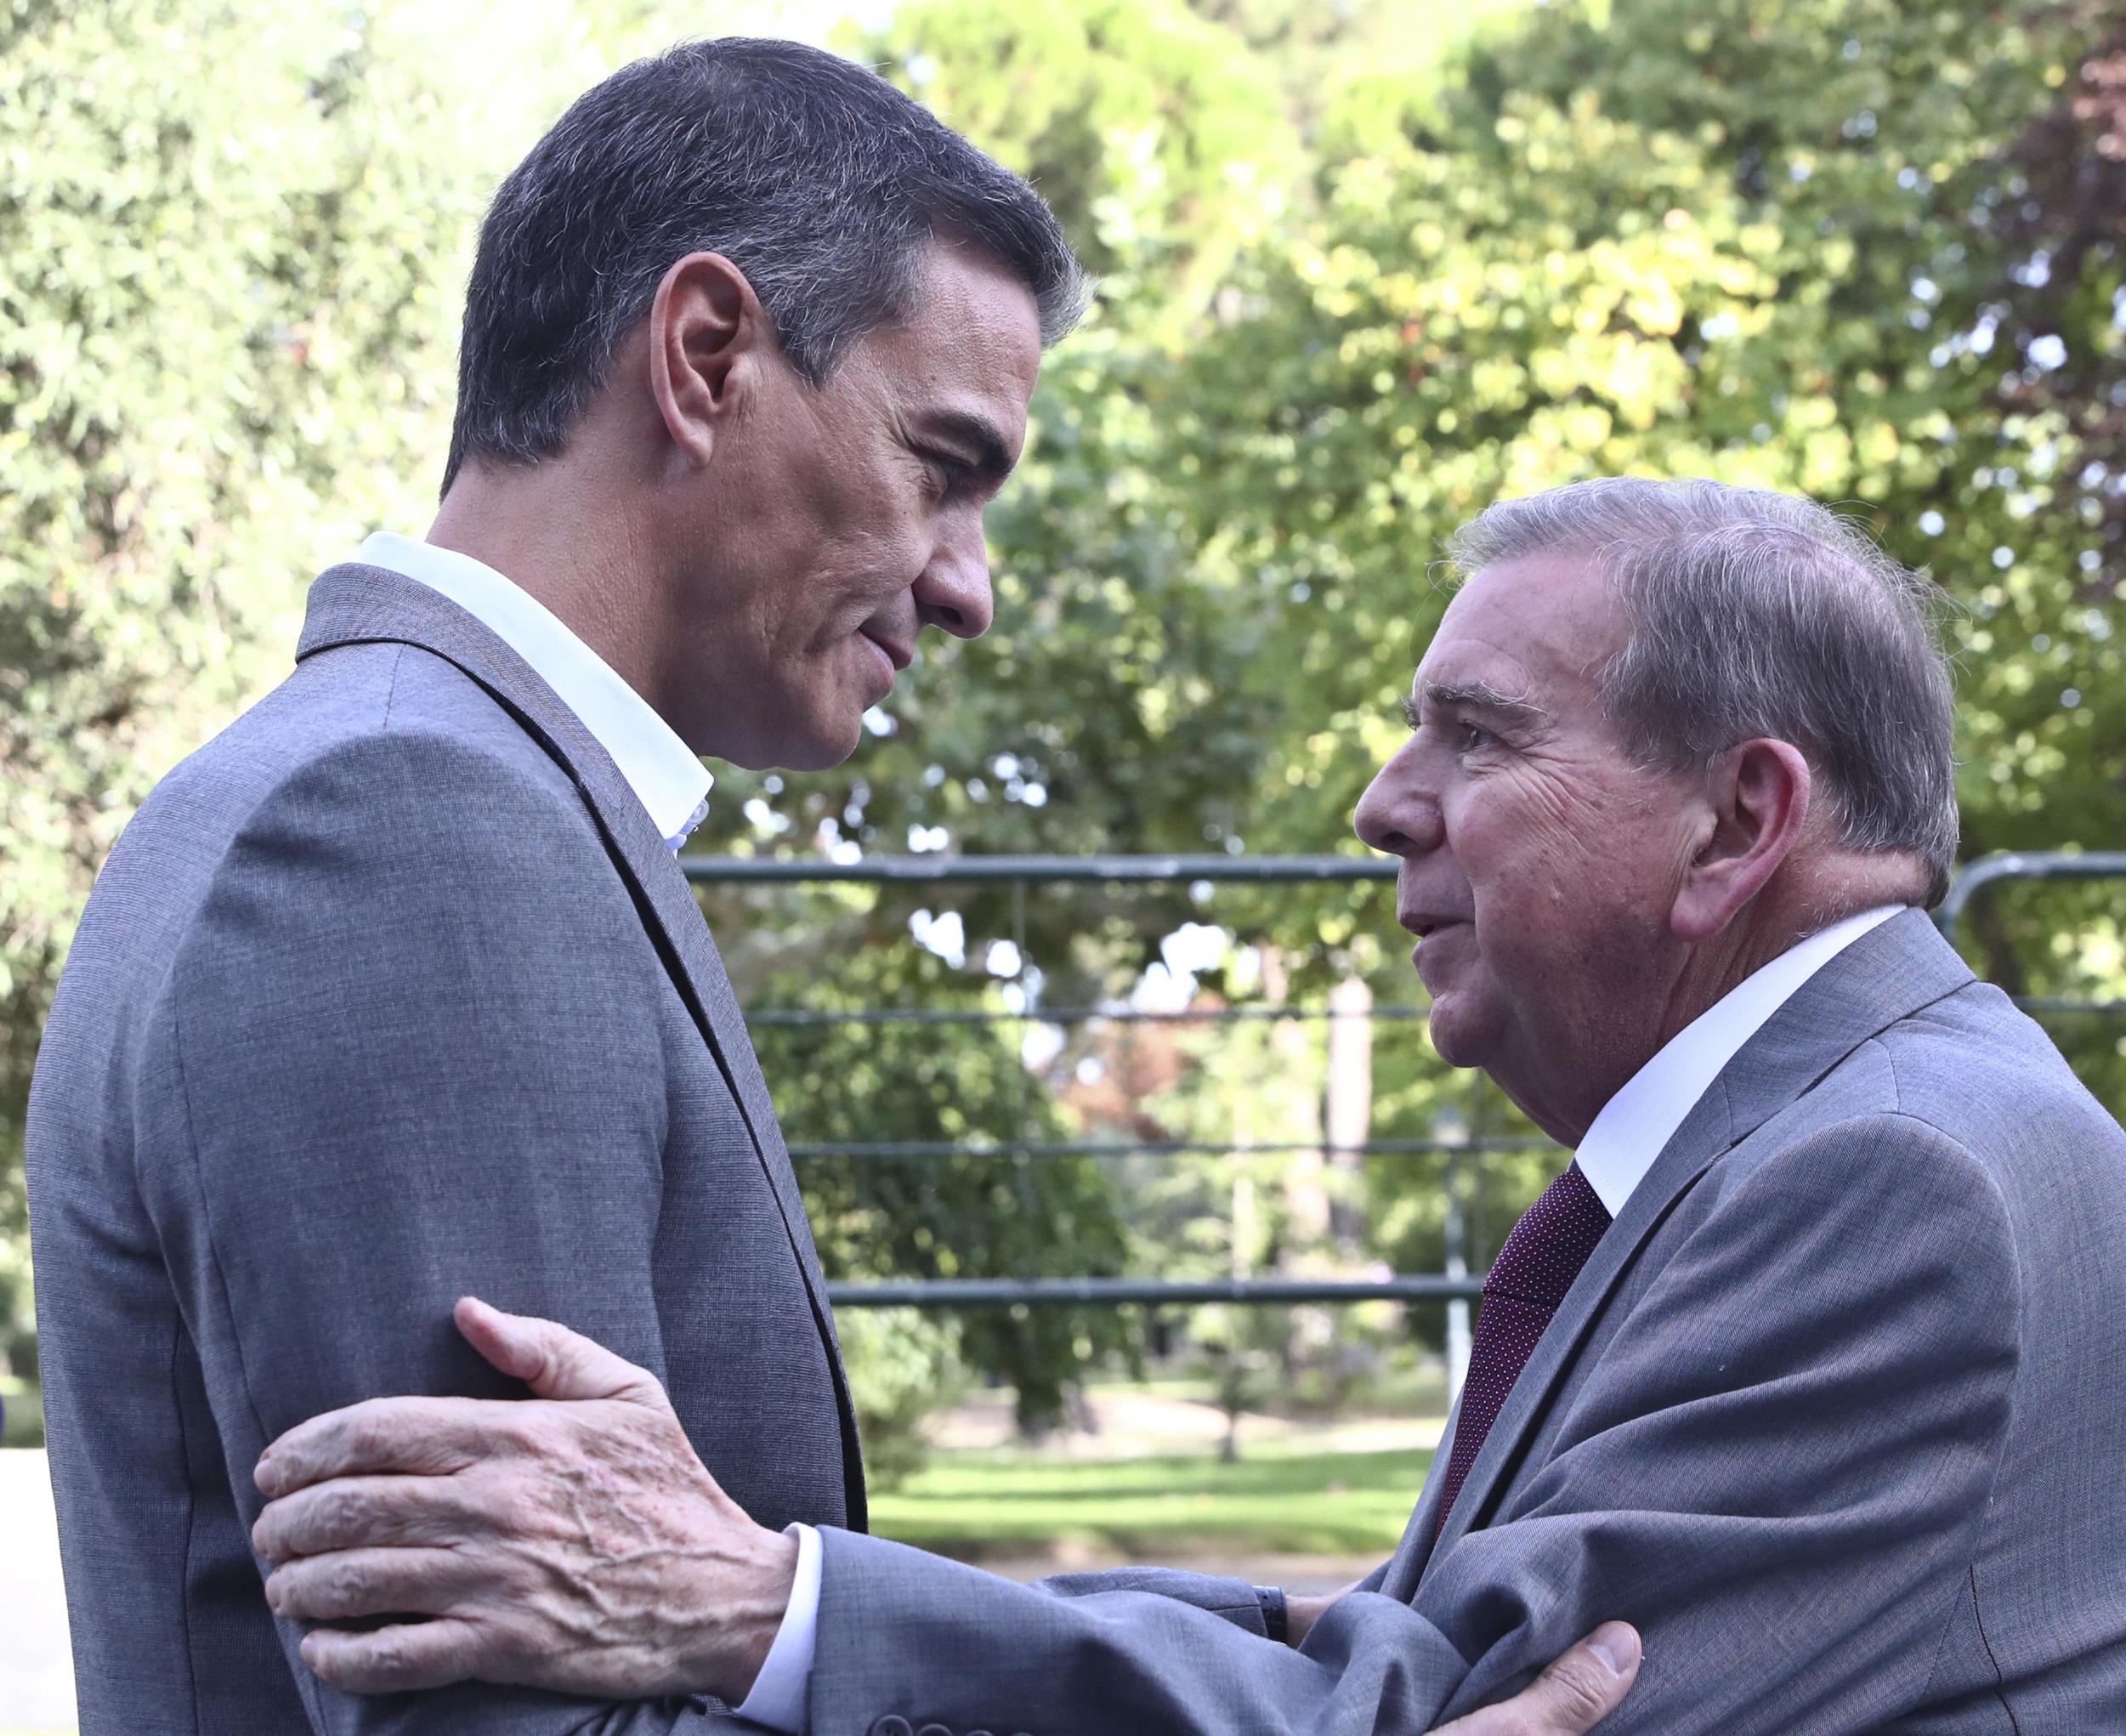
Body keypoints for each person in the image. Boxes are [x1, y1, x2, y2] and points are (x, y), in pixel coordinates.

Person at [24, 38, 1625, 1736]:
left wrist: (1271, 1641)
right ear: (706, 357)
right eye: (944, 464)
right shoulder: (414, 832)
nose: (971, 589)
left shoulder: (396, 784)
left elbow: (705, 1590)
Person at [251, 479, 2126, 1733]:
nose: (1382, 803)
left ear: (1739, 819)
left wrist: (755, 1606)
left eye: (1474, 736)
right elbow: (1401, 1641)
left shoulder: (1892, 1182)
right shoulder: (1836, 1132)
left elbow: (1441, 1703)